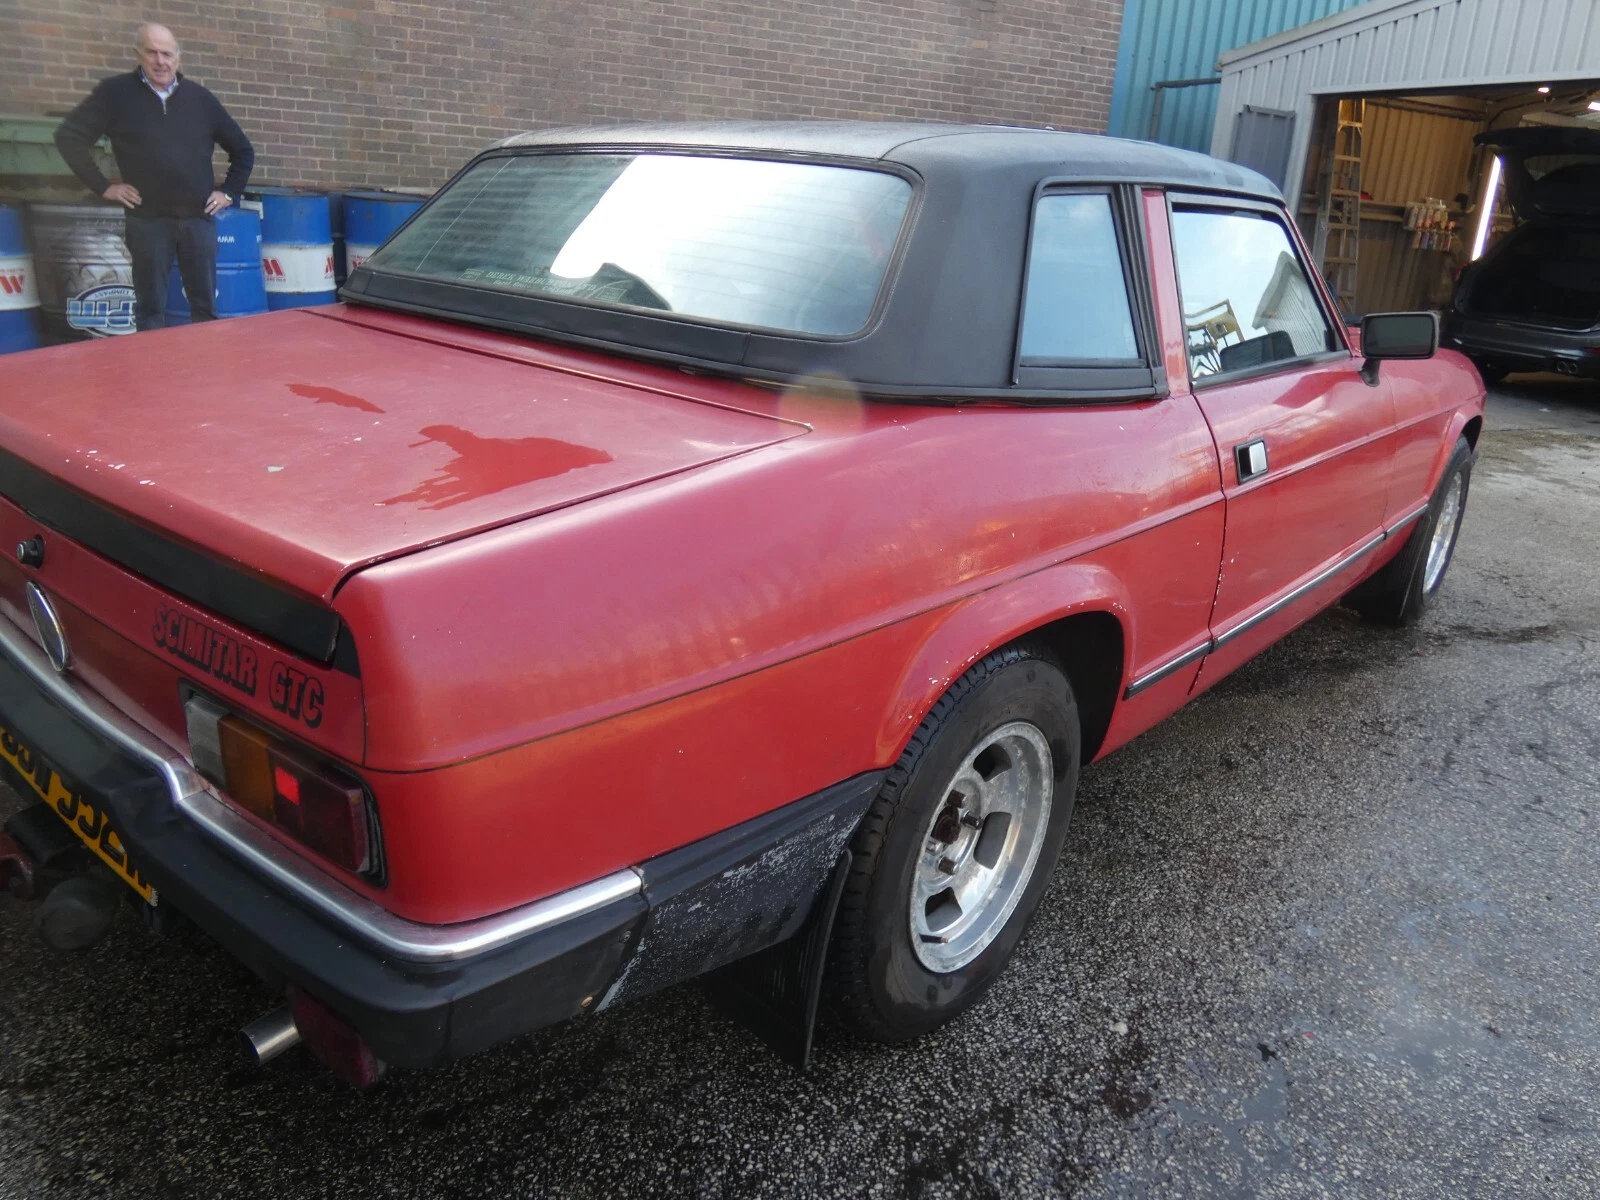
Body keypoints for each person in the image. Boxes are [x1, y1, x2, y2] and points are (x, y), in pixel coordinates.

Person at [55, 22, 254, 331]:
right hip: (148, 221)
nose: (160, 61)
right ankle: (153, 363)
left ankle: (207, 360)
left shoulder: (200, 99)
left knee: (205, 307)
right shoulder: (115, 94)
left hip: (197, 220)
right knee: (150, 310)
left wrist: (228, 192)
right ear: (138, 55)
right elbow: (69, 137)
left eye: (167, 54)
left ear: (178, 58)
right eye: (152, 53)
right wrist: (103, 187)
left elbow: (243, 150)